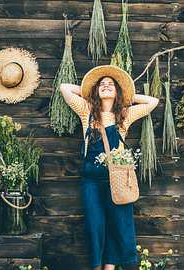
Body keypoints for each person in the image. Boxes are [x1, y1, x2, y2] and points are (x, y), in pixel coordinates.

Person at [60, 65, 159, 270]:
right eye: (102, 84)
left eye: (111, 85)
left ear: (117, 92)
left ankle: (110, 267)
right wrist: (87, 91)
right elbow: (64, 88)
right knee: (95, 226)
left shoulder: (124, 115)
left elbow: (152, 102)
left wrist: (128, 97)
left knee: (118, 225)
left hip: (118, 180)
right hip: (91, 180)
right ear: (96, 91)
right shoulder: (86, 112)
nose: (106, 86)